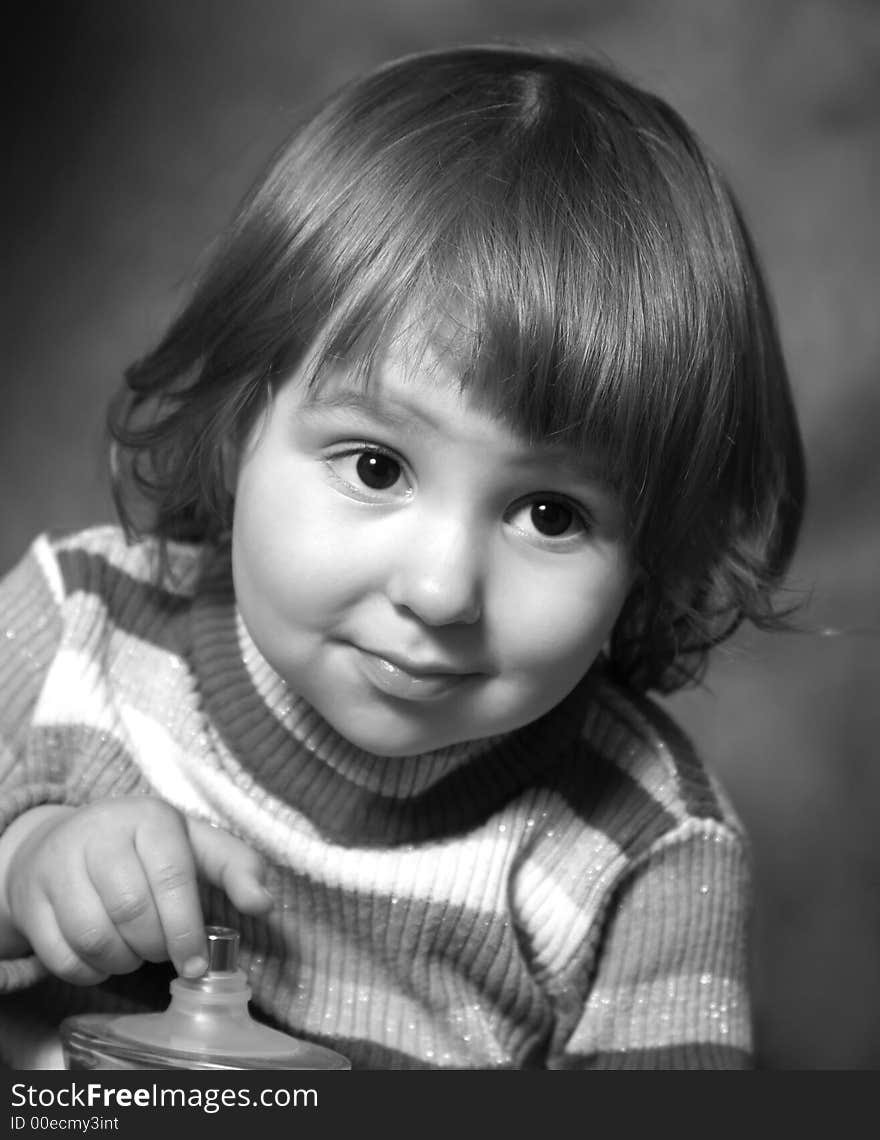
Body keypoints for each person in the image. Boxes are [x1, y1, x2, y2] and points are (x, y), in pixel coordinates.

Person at [0, 42, 805, 1070]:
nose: (438, 591)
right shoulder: (70, 626)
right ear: (244, 421)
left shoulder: (642, 854)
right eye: (376, 466)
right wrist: (24, 870)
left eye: (550, 515)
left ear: (649, 553)